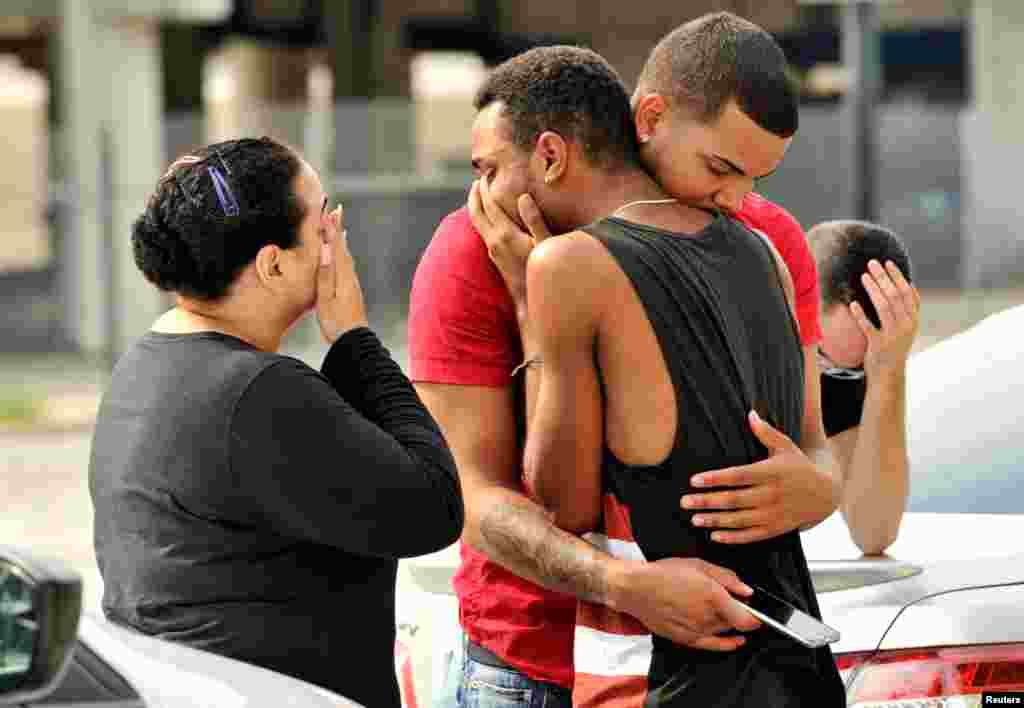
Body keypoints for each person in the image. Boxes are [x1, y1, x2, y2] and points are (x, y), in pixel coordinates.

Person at [411, 13, 840, 708]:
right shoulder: (472, 249)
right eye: (721, 169)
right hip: (530, 665)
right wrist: (619, 586)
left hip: (717, 660)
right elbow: (471, 493)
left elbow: (818, 447)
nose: (736, 200)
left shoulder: (763, 238)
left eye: (752, 179)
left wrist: (822, 486)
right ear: (649, 117)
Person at [89, 137, 464, 708]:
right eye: (322, 225)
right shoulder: (257, 394)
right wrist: (356, 339)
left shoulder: (145, 365)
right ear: (273, 263)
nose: (336, 240)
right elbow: (433, 507)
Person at [808, 220, 919, 554]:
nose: (824, 378)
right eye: (823, 360)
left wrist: (887, 374)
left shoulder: (848, 367)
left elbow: (874, 532)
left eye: (850, 372)